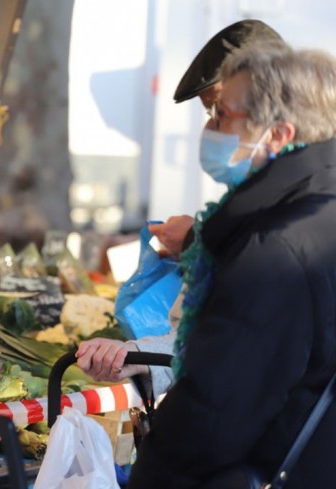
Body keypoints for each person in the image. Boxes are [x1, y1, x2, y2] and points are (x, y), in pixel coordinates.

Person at [128, 42, 336, 487]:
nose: (210, 127)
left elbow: (214, 412)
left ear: (277, 134)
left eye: (222, 114)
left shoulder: (277, 249)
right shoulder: (319, 206)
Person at [77, 20, 284, 396]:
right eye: (210, 115)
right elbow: (197, 336)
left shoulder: (300, 208)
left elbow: (247, 335)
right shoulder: (242, 202)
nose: (211, 130)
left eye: (221, 113)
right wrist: (134, 355)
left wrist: (197, 241)